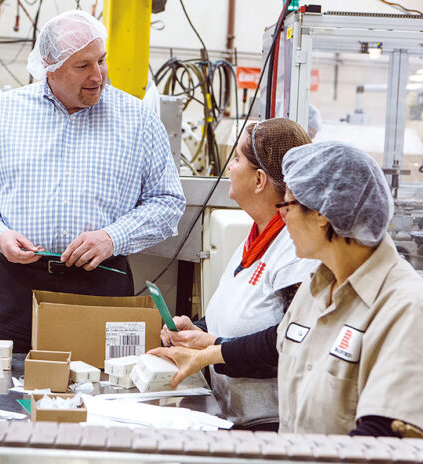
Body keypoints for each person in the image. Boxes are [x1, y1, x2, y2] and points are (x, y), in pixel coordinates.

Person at [0, 10, 185, 352]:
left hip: (102, 285)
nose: (98, 75)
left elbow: (167, 202)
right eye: (82, 65)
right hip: (17, 287)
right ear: (49, 66)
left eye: (101, 60)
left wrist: (111, 237)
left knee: (104, 387)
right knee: (9, 383)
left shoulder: (138, 121)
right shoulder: (2, 114)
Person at [151, 142, 423, 436]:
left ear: (322, 214)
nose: (282, 217)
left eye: (288, 205)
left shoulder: (405, 308)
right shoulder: (316, 288)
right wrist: (203, 352)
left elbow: (382, 438)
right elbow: (278, 344)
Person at [160, 118, 316, 431]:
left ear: (259, 180)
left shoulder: (294, 251)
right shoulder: (255, 237)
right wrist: (196, 329)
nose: (229, 168)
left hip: (270, 428)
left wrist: (211, 346)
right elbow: (237, 316)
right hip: (231, 416)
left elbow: (289, 343)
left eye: (236, 159)